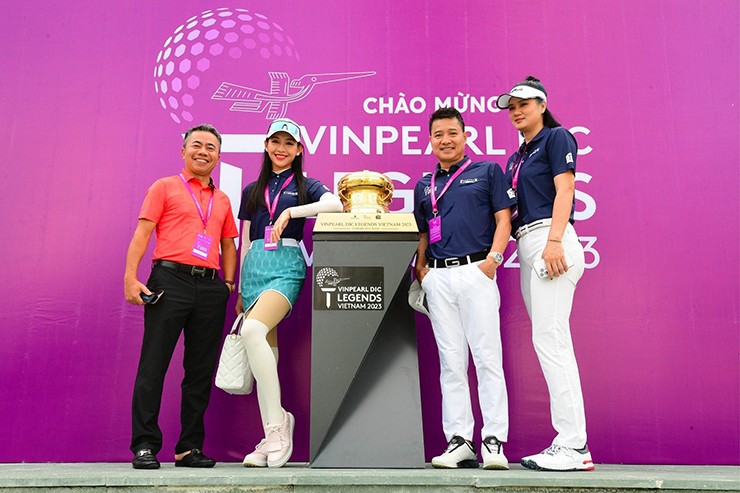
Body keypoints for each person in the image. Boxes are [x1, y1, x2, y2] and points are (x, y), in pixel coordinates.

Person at [124, 123, 238, 470]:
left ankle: (189, 448)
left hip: (210, 288)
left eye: (211, 147)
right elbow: (143, 233)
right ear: (184, 150)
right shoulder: (164, 187)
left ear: (219, 156)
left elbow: (228, 244)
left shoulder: (222, 199)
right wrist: (131, 278)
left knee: (199, 371)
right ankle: (145, 445)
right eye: (197, 145)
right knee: (153, 365)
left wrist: (228, 284)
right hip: (169, 281)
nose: (203, 152)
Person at [496, 76, 594, 471]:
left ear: (542, 105)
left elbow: (565, 190)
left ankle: (573, 445)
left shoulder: (556, 137)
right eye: (511, 107)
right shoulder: (515, 158)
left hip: (551, 240)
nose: (516, 111)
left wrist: (554, 241)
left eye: (524, 104)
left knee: (551, 339)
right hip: (528, 242)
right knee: (549, 340)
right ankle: (572, 444)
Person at [236, 117, 342, 468]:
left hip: (286, 266)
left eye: (289, 143)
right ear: (266, 145)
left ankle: (278, 424)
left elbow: (336, 205)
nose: (281, 148)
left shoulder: (306, 185)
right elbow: (246, 240)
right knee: (263, 348)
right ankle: (270, 436)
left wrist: (291, 212)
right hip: (254, 269)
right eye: (275, 142)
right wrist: (240, 287)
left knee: (253, 330)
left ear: (298, 150)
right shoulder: (251, 190)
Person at [413, 107, 515, 470]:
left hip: (477, 272)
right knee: (451, 363)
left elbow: (504, 218)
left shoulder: (487, 171)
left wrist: (493, 261)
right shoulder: (424, 185)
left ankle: (493, 441)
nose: (446, 140)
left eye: (452, 133)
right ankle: (460, 441)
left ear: (465, 136)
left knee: (487, 358)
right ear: (430, 140)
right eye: (438, 134)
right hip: (438, 277)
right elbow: (423, 232)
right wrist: (422, 269)